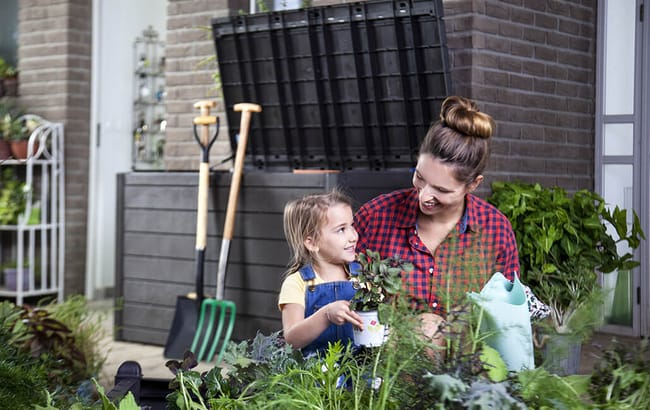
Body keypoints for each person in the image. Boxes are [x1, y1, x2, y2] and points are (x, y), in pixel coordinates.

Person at [354, 95, 520, 328]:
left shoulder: (496, 230)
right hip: (383, 360)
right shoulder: (376, 216)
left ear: (473, 185)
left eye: (441, 189)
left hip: (465, 362)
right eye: (420, 177)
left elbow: (507, 320)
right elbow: (331, 285)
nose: (423, 196)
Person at [278, 190, 364, 357]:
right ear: (312, 243)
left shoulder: (363, 277)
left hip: (360, 371)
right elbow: (291, 340)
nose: (353, 236)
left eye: (352, 225)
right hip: (316, 374)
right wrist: (325, 315)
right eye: (341, 229)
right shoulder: (297, 283)